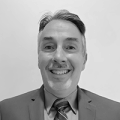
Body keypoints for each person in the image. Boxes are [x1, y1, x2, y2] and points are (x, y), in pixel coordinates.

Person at [0, 9, 120, 120]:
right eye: (49, 47)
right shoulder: (5, 111)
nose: (58, 57)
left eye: (70, 47)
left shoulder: (115, 113)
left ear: (84, 60)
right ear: (38, 58)